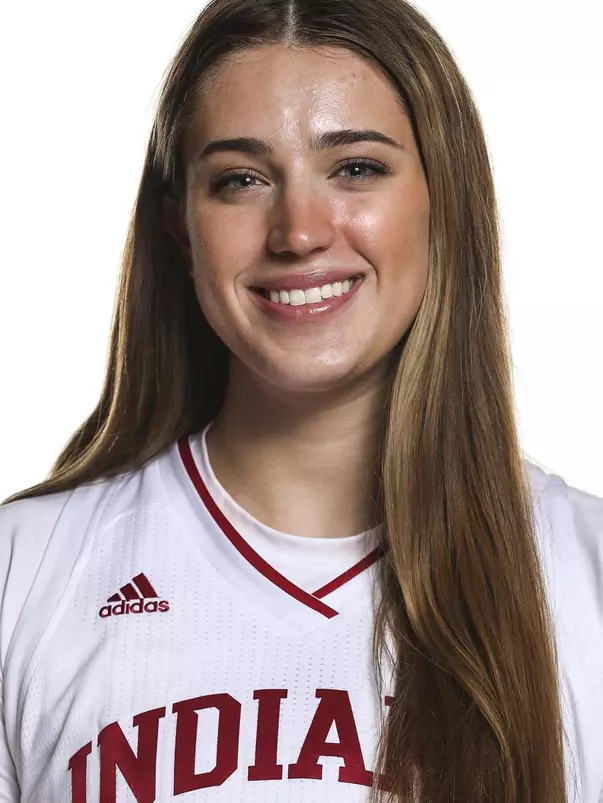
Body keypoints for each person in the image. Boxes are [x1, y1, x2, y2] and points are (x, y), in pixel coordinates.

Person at [1, 0, 602, 801]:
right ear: (182, 229)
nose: (299, 232)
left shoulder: (584, 574)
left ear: (442, 199)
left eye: (355, 167)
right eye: (239, 180)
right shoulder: (26, 574)